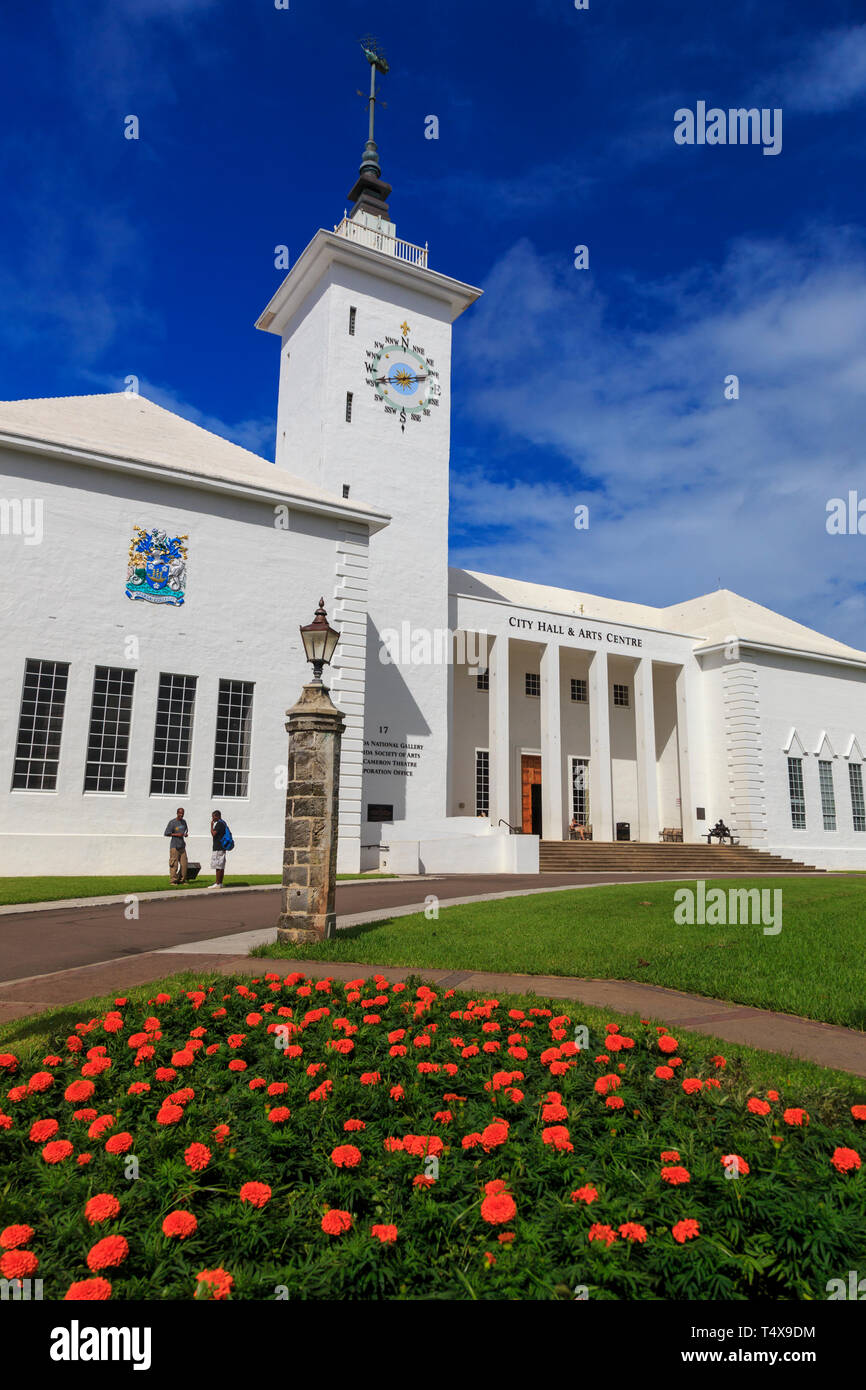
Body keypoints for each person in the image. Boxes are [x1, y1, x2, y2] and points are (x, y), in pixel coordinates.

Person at [164, 808, 188, 885]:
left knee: (184, 864)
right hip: (174, 846)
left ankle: (182, 880)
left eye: (183, 813)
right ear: (177, 813)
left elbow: (185, 830)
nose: (181, 815)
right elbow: (166, 833)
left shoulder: (184, 822)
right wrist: (177, 834)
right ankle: (173, 881)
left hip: (182, 846)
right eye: (180, 813)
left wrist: (185, 835)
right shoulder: (172, 822)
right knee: (174, 864)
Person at [210, 808, 229, 888]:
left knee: (217, 866)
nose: (212, 818)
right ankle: (220, 883)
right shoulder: (224, 823)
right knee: (221, 865)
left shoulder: (219, 824)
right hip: (223, 847)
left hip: (218, 847)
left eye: (213, 817)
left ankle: (217, 883)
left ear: (216, 816)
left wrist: (211, 825)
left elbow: (213, 834)